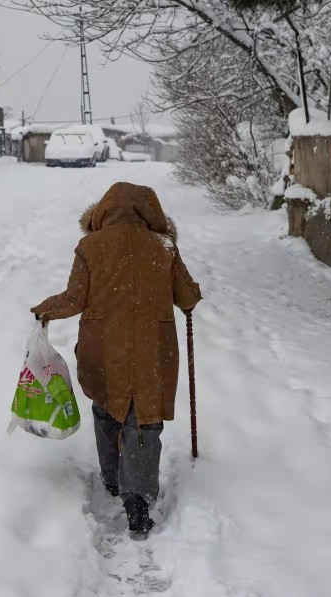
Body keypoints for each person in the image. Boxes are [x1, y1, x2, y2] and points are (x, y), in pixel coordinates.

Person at [31, 182, 202, 539]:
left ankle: (112, 478)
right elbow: (187, 297)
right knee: (144, 421)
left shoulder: (90, 246)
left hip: (102, 348)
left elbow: (74, 298)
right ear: (151, 212)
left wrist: (44, 310)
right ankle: (138, 503)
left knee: (107, 408)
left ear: (103, 211)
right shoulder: (164, 247)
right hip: (151, 349)